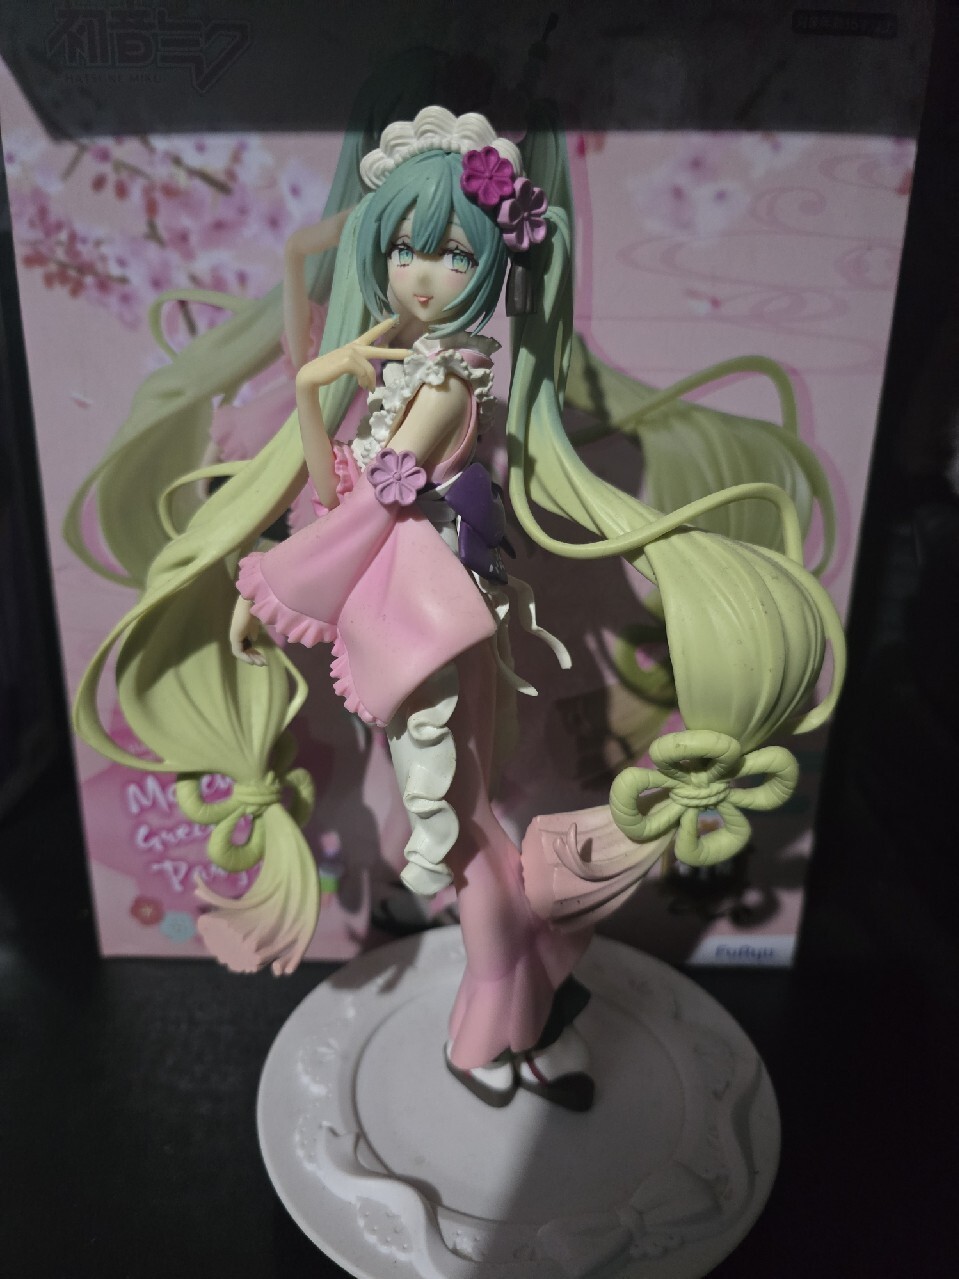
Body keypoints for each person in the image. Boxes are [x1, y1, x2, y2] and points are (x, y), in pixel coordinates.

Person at [74, 108, 844, 1111]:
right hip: (418, 610)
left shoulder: (446, 376)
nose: (423, 276)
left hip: (428, 625)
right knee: (459, 825)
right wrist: (313, 381)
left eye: (452, 255)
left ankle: (502, 1001)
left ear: (491, 264)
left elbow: (373, 501)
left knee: (462, 829)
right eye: (404, 250)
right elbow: (336, 481)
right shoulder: (407, 361)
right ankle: (527, 983)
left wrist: (277, 579)